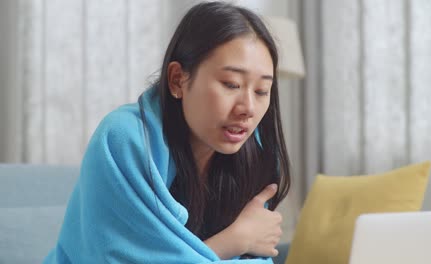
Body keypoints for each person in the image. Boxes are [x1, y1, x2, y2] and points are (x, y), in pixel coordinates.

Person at [44, 1, 291, 263]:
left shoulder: (254, 153)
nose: (248, 108)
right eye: (231, 84)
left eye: (262, 91)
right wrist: (234, 241)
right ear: (177, 80)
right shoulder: (123, 141)